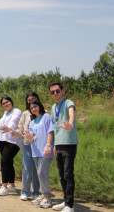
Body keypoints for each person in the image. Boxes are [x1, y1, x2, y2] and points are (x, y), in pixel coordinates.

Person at [49, 82, 78, 212]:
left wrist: (70, 123)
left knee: (68, 174)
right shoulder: (53, 107)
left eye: (57, 91)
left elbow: (72, 114)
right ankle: (66, 200)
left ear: (62, 91)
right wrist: (54, 144)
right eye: (52, 92)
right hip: (59, 144)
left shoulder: (68, 103)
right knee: (61, 175)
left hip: (69, 144)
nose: (55, 93)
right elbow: (55, 127)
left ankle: (70, 205)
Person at [24, 99, 55, 208]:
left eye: (35, 107)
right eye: (31, 108)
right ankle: (43, 194)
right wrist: (29, 137)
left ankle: (47, 197)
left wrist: (48, 145)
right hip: (35, 151)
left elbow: (50, 132)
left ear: (39, 106)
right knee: (39, 173)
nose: (33, 109)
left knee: (43, 173)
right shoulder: (32, 122)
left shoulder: (46, 117)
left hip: (44, 150)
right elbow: (32, 135)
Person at [0, 96, 22, 196]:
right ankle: (12, 185)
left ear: (11, 102)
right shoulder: (5, 113)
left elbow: (14, 122)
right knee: (9, 162)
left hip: (13, 141)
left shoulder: (17, 111)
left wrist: (9, 128)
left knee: (4, 161)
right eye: (3, 104)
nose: (6, 104)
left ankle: (4, 186)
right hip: (3, 141)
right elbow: (0, 128)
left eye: (7, 102)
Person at [17, 92, 41, 201]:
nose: (31, 101)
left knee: (37, 169)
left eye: (33, 99)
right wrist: (19, 133)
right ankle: (25, 191)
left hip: (39, 145)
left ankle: (36, 192)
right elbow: (20, 127)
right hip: (27, 144)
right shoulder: (25, 114)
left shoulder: (44, 113)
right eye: (29, 99)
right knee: (27, 168)